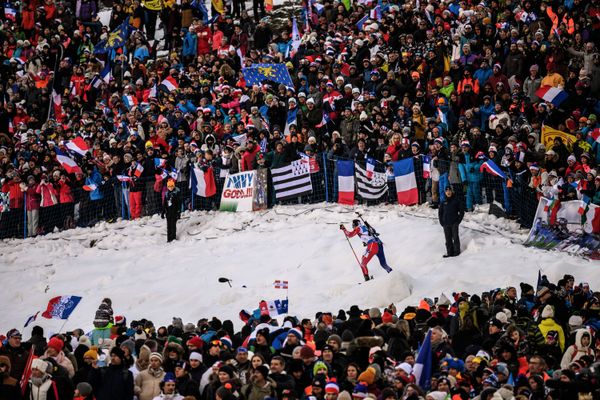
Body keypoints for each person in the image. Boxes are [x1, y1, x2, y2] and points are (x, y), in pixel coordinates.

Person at [438, 186, 464, 257]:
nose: (448, 192)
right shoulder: (443, 202)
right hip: (446, 224)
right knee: (448, 239)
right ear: (445, 192)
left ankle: (457, 252)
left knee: (455, 238)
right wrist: (441, 222)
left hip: (454, 223)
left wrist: (458, 221)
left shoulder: (456, 201)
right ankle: (449, 252)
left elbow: (462, 212)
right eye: (446, 191)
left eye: (449, 190)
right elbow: (440, 213)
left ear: (452, 191)